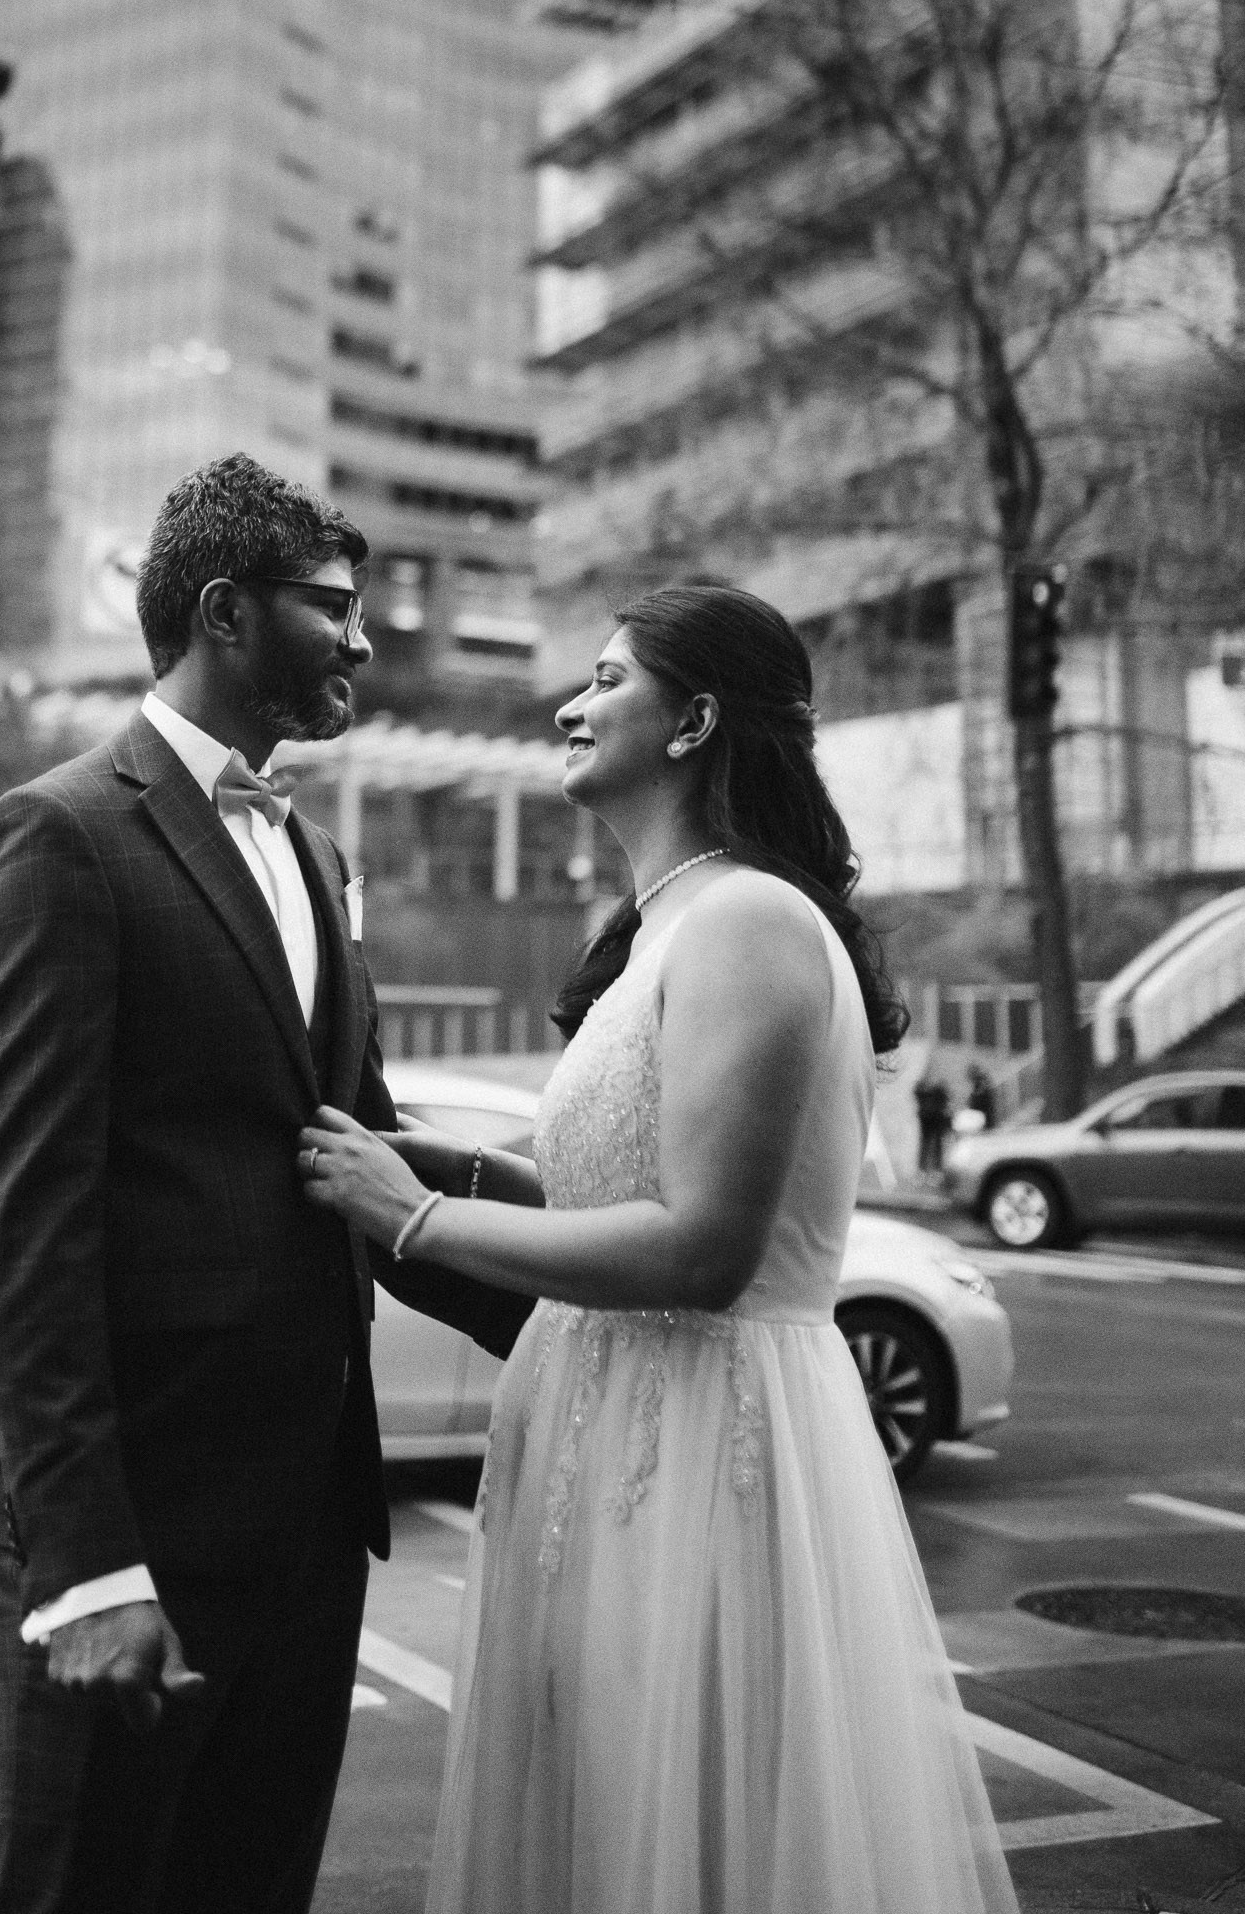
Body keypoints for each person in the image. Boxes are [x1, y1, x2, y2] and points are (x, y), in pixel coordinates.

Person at [299, 578, 1019, 1914]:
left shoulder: (749, 918)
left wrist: (413, 1218)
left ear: (693, 721)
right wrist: (443, 1164)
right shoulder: (672, 925)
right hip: (611, 1438)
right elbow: (606, 1185)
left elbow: (705, 1249)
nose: (574, 704)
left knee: (683, 1832)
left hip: (698, 1449)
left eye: (609, 678)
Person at [0, 453, 521, 1914]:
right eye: (333, 608)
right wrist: (86, 1567)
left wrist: (585, 1295)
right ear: (226, 613)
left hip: (310, 1538)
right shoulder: (61, 831)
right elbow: (24, 1220)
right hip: (132, 1538)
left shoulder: (317, 854)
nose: (364, 639)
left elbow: (362, 1156)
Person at [914, 1070, 954, 1176]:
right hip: (926, 1120)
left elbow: (946, 1102)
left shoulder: (939, 1089)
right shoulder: (923, 1089)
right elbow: (917, 1093)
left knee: (937, 1145)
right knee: (925, 1145)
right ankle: (922, 1170)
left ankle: (936, 1170)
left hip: (937, 1120)